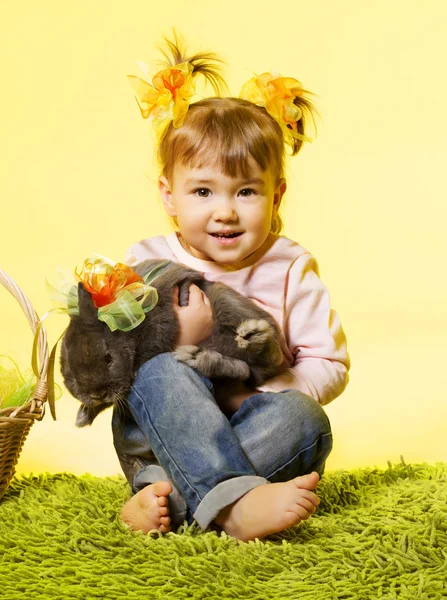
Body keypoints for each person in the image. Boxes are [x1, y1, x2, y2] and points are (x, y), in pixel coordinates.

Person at [113, 33, 350, 542]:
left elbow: (328, 363)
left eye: (246, 191)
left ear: (276, 193)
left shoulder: (290, 267)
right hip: (159, 440)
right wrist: (179, 339)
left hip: (255, 431)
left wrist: (265, 393)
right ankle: (235, 508)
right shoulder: (146, 261)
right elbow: (115, 357)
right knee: (155, 371)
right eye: (202, 191)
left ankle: (168, 503)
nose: (225, 210)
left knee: (305, 421)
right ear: (169, 195)